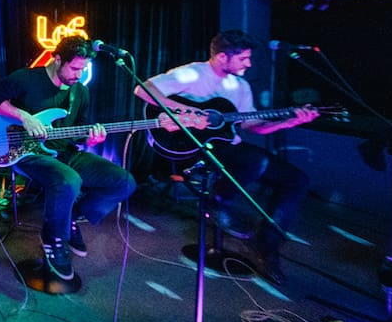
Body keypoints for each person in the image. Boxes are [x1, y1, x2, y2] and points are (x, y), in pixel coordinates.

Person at [134, 29, 318, 286]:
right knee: (255, 161)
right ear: (222, 57)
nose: (249, 64)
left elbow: (252, 125)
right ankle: (218, 201)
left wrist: (288, 122)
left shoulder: (241, 86)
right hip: (194, 148)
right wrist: (188, 111)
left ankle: (266, 245)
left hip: (228, 147)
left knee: (297, 179)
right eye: (243, 58)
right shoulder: (194, 73)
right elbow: (143, 89)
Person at [0, 35, 137, 281]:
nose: (79, 75)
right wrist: (24, 117)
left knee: (124, 181)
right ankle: (53, 238)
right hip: (24, 153)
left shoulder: (80, 92)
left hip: (62, 153)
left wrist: (90, 140)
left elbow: (77, 132)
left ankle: (71, 217)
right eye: (74, 68)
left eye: (83, 69)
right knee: (68, 180)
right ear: (57, 59)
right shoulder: (26, 78)